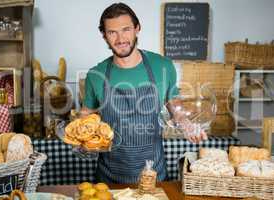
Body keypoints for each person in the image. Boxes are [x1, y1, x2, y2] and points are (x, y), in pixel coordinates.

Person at [81, 2, 207, 184]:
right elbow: (86, 117)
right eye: (112, 32)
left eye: (126, 29)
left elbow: (176, 110)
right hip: (109, 179)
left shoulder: (163, 66)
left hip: (154, 175)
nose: (120, 38)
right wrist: (82, 138)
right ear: (104, 35)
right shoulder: (95, 75)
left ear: (137, 29)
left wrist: (186, 123)